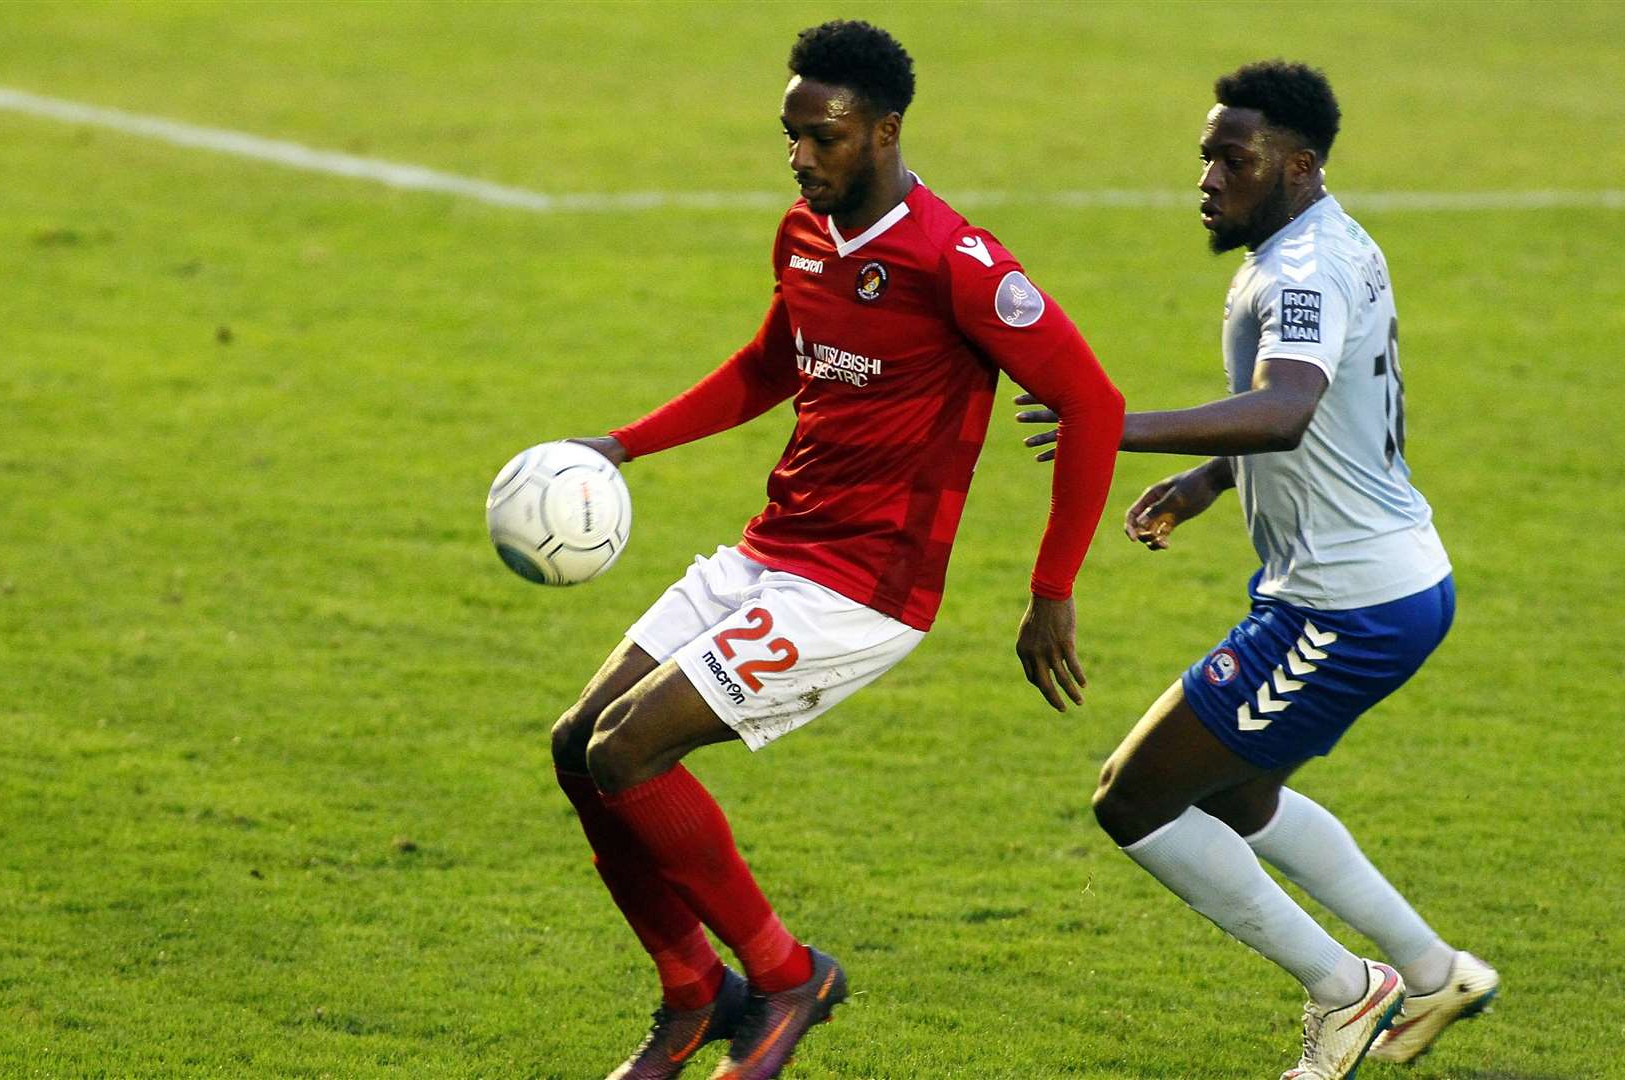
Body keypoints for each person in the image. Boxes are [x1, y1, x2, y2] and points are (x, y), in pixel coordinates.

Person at [549, 21, 1124, 1080]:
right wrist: (622, 444)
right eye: (791, 136)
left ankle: (786, 976)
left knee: (628, 749)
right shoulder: (803, 237)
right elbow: (769, 364)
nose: (802, 157)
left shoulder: (956, 263)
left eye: (824, 136)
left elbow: (1092, 402)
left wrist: (1052, 590)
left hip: (863, 587)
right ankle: (691, 994)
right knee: (574, 745)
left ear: (885, 131)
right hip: (772, 551)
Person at [1018, 60, 1497, 1079]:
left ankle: (1345, 991)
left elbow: (1283, 410)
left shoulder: (1301, 272)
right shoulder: (1320, 243)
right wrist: (1204, 483)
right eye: (1204, 157)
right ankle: (1429, 971)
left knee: (1130, 799)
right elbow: (1316, 417)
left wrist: (1107, 428)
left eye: (1231, 160)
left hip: (1344, 606)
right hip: (1383, 580)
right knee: (1236, 797)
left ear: (1298, 163)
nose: (1207, 178)